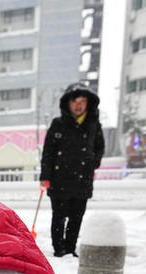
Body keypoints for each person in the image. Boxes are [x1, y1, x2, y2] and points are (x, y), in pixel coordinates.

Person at [39, 83, 105, 258]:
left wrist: (93, 163)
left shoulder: (94, 125)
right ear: (67, 103)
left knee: (76, 218)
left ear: (88, 104)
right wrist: (45, 176)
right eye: (75, 101)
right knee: (59, 216)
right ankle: (59, 249)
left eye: (82, 101)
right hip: (60, 179)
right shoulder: (58, 124)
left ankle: (70, 248)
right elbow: (48, 152)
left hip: (82, 180)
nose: (78, 105)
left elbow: (99, 148)